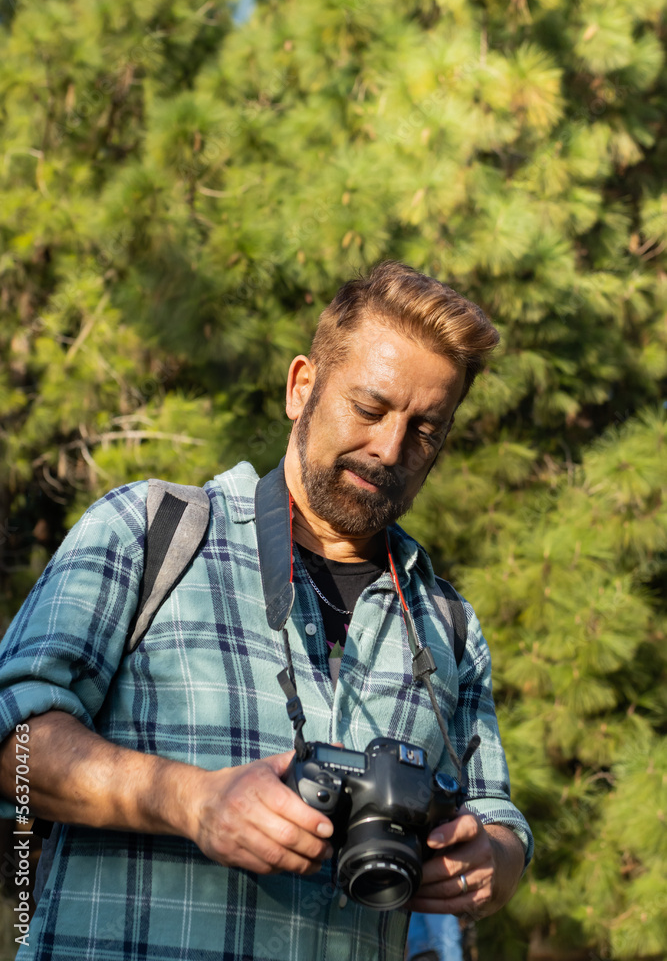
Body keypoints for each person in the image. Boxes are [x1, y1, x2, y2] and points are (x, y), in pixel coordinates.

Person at [0, 261, 532, 961]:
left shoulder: (446, 622)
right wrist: (192, 801)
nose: (389, 448)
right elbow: (14, 745)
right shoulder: (147, 531)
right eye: (369, 409)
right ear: (301, 387)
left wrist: (491, 861)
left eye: (425, 430)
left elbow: (496, 816)